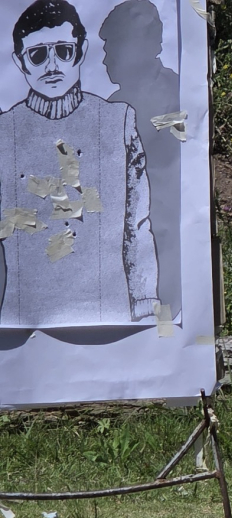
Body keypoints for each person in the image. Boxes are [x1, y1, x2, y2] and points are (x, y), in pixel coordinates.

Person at [0, 0, 159, 327]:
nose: (53, 64)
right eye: (38, 55)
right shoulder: (4, 132)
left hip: (110, 311)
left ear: (82, 51)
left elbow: (137, 225)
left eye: (63, 50)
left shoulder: (118, 121)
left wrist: (145, 305)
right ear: (20, 62)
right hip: (25, 318)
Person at [100, 0, 180, 317]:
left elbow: (178, 135)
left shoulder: (175, 90)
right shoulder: (113, 105)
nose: (105, 58)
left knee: (166, 308)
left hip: (164, 221)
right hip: (122, 227)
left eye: (112, 46)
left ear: (141, 43)